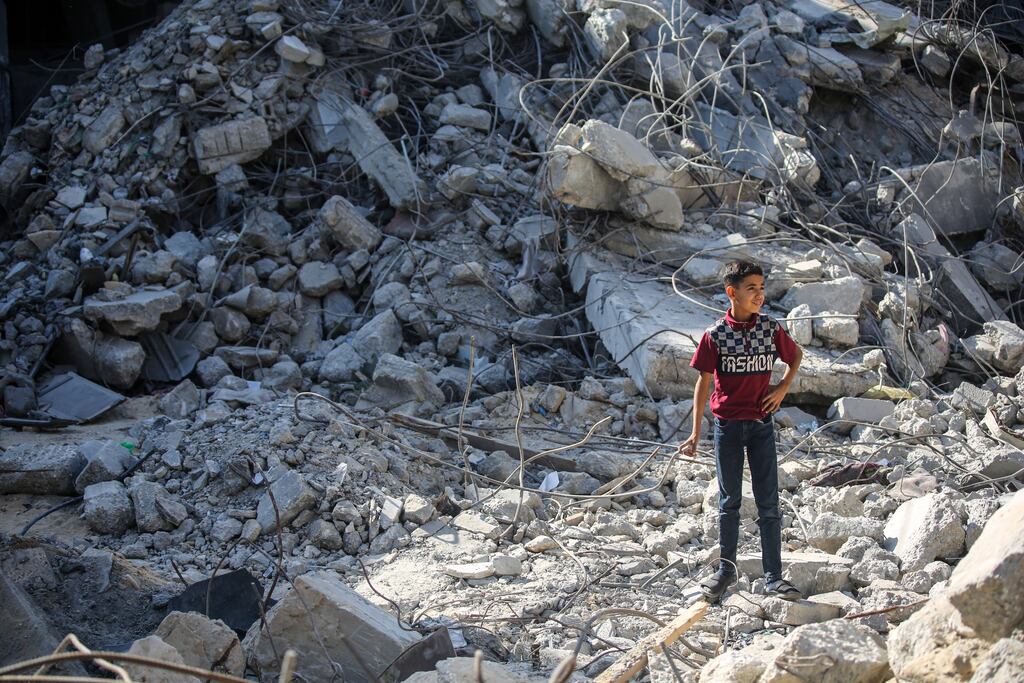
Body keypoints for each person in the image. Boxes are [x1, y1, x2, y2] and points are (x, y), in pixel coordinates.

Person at [677, 259, 804, 603]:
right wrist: (695, 432)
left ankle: (774, 577)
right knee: (729, 501)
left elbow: (796, 356)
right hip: (728, 428)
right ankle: (725, 571)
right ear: (732, 293)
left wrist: (782, 388)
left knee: (768, 503)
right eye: (752, 289)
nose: (759, 295)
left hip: (762, 425)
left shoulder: (771, 328)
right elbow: (702, 383)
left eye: (762, 288)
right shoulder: (715, 336)